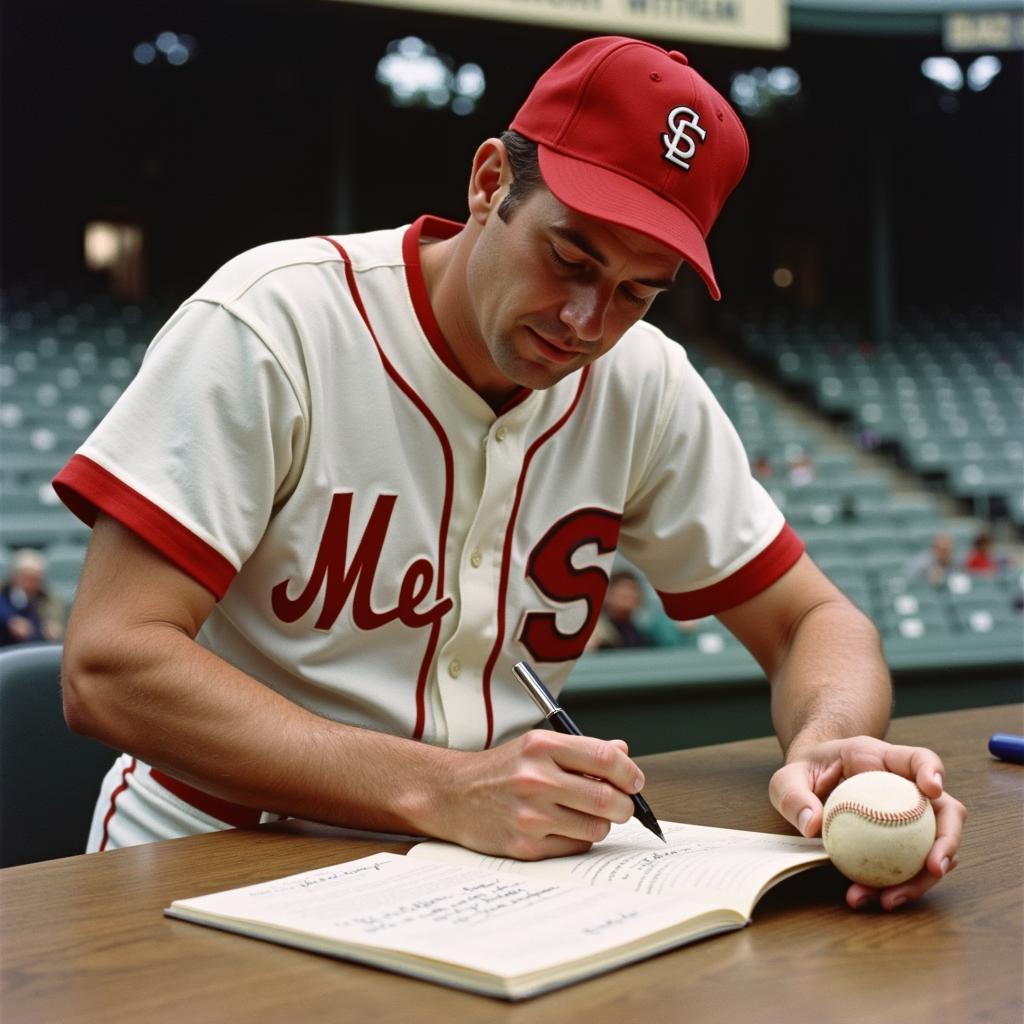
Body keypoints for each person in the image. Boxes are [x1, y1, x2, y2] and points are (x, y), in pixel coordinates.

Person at [55, 36, 962, 912]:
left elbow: (815, 619)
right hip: (205, 852)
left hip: (484, 878)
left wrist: (831, 745)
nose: (585, 319)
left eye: (638, 291)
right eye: (571, 257)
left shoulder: (643, 382)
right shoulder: (274, 323)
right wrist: (440, 787)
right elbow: (109, 663)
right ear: (490, 181)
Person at [0, 548, 63, 646]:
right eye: (26, 578)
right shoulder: (4, 593)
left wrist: (52, 626)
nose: (31, 584)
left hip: (36, 647)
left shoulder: (47, 598)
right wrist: (11, 619)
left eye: (36, 579)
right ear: (15, 577)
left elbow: (55, 621)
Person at [588, 570, 654, 650]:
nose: (630, 597)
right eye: (623, 595)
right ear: (608, 594)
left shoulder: (640, 634)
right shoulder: (594, 632)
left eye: (633, 592)